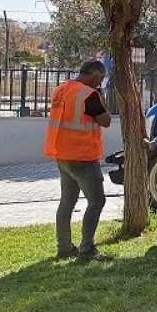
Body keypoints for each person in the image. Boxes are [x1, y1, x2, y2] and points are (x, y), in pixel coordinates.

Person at [44, 59, 114, 262]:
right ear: (94, 75)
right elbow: (106, 121)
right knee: (97, 201)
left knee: (66, 202)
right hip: (82, 156)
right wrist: (101, 99)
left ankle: (64, 247)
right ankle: (87, 248)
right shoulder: (88, 94)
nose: (100, 83)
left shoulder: (60, 90)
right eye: (100, 79)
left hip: (62, 154)